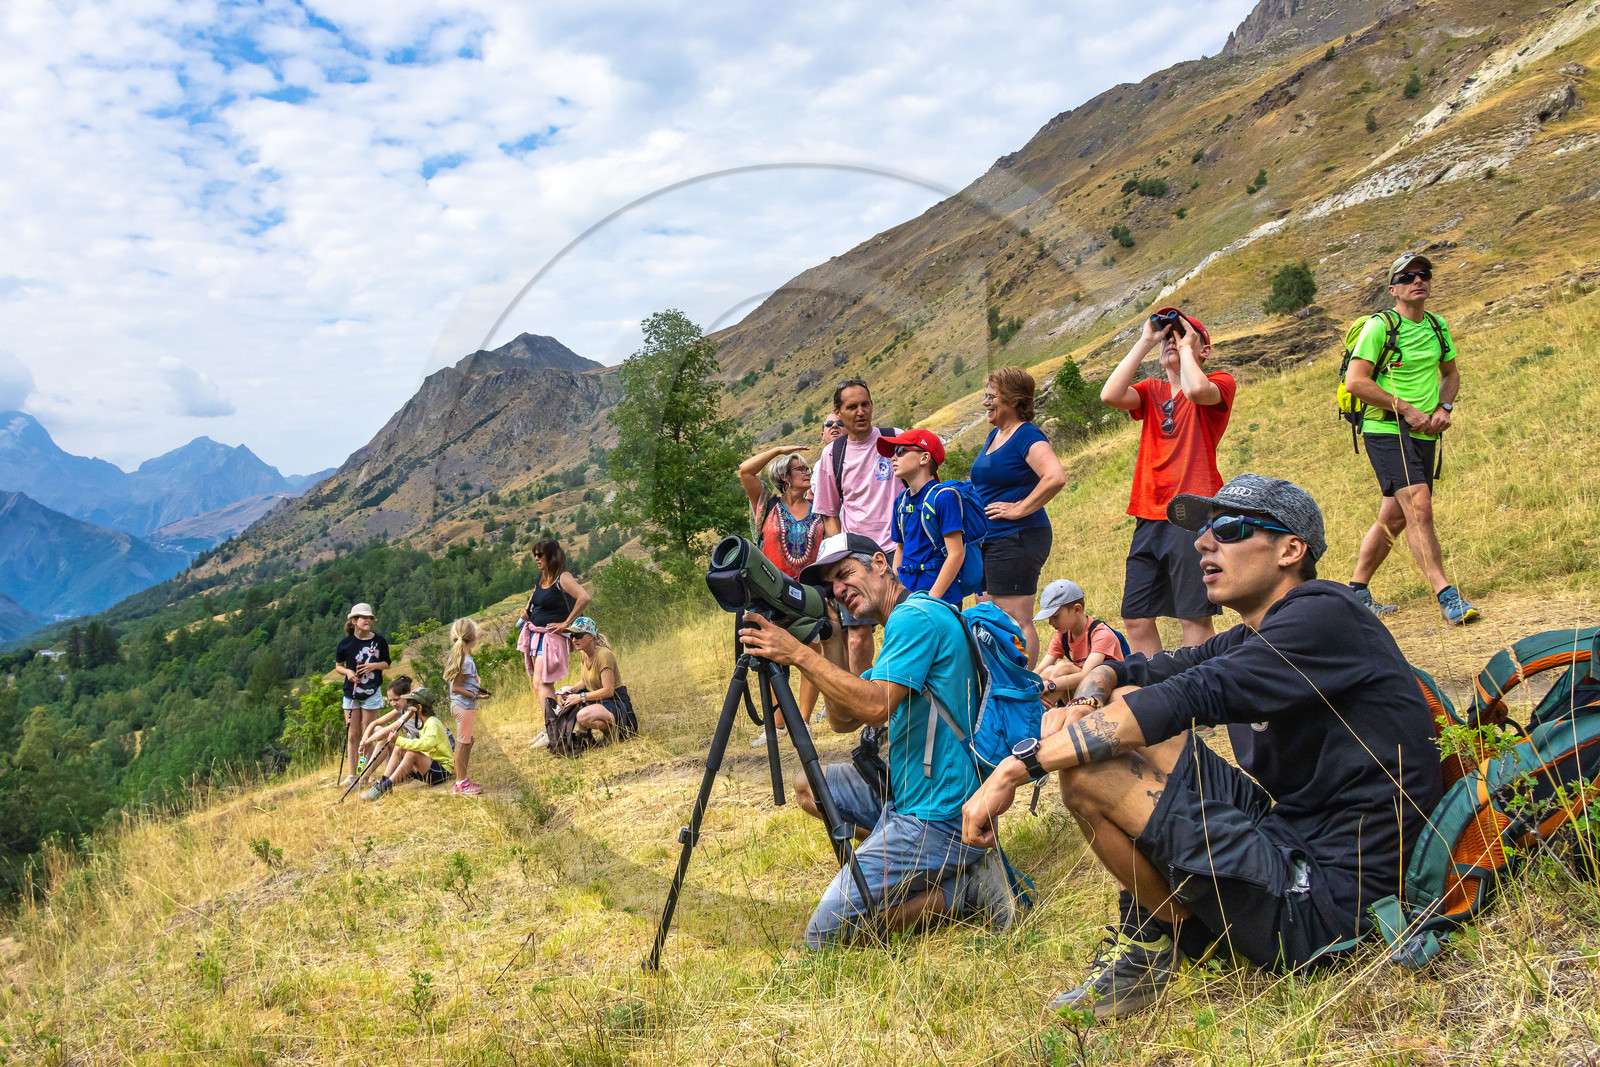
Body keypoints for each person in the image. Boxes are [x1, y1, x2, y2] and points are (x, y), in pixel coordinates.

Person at [961, 475, 1444, 1020]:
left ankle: (1156, 943)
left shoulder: (1324, 616)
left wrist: (1014, 768)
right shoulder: (1259, 631)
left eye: (1230, 529)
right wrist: (1089, 704)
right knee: (1124, 705)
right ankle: (1175, 926)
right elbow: (1135, 669)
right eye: (1205, 529)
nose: (1203, 543)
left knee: (1089, 774)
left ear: (1291, 550)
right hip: (1290, 832)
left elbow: (1192, 694)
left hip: (1333, 898)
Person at [737, 532, 1018, 949]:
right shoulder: (905, 623)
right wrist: (830, 639)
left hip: (936, 817)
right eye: (831, 584)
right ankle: (909, 866)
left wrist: (797, 654)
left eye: (846, 573)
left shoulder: (914, 619)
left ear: (881, 565)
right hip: (904, 796)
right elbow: (841, 719)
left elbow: (874, 708)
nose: (839, 589)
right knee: (809, 786)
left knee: (825, 937)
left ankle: (962, 891)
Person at [1344, 253, 1478, 624]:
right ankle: (1446, 595)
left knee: (1396, 515)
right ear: (1393, 289)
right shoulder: (1379, 327)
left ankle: (1356, 592)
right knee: (1419, 508)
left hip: (1424, 430)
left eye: (1423, 274)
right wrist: (1405, 409)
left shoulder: (1437, 325)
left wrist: (1444, 408)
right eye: (1407, 277)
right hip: (1386, 429)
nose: (1417, 281)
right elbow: (1356, 381)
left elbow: (1451, 373)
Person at [1100, 308, 1236, 658]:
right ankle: (1156, 697)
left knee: (1193, 616)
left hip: (1191, 511)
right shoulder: (1151, 390)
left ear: (1204, 349)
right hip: (1148, 513)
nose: (1171, 341)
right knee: (1136, 616)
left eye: (1182, 335)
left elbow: (1195, 390)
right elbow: (1110, 395)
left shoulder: (1219, 382)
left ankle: (1207, 696)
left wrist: (1187, 349)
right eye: (1168, 337)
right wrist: (1147, 340)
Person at [969, 367, 1066, 666]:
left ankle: (1024, 688)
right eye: (986, 395)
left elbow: (1055, 476)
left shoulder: (1026, 435)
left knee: (1015, 617)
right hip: (989, 540)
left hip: (1018, 537)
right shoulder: (995, 436)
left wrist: (1020, 508)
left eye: (991, 396)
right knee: (988, 615)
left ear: (1012, 399)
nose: (986, 402)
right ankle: (1000, 683)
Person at [809, 378, 900, 676]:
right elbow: (829, 514)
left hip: (901, 551)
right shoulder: (832, 455)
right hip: (858, 560)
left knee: (906, 627)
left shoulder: (895, 440)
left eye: (865, 404)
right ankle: (871, 713)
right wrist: (844, 560)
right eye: (852, 407)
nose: (860, 412)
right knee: (859, 639)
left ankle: (908, 700)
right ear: (839, 412)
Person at [738, 443, 827, 738]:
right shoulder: (768, 505)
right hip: (768, 591)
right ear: (785, 476)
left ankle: (801, 721)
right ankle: (777, 725)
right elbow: (745, 470)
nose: (808, 473)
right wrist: (778, 450)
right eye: (802, 469)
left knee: (810, 651)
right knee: (770, 656)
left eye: (808, 469)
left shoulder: (821, 508)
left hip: (807, 593)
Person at [881, 429, 964, 606]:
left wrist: (932, 599)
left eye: (900, 451)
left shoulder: (943, 497)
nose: (893, 458)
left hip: (941, 598)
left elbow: (956, 553)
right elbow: (900, 547)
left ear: (924, 458)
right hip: (910, 596)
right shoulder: (900, 502)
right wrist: (898, 588)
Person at [518, 538, 590, 716]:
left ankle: (553, 726)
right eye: (535, 555)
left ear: (551, 556)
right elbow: (533, 602)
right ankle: (553, 726)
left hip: (552, 638)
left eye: (540, 554)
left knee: (541, 682)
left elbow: (584, 597)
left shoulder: (563, 577)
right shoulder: (542, 579)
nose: (536, 558)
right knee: (542, 684)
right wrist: (525, 612)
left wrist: (566, 623)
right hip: (537, 636)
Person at [1033, 579, 1125, 702]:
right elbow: (1040, 669)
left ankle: (1043, 710)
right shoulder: (1062, 635)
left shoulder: (1101, 634)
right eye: (1049, 618)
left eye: (1055, 616)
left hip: (1110, 689)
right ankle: (1051, 711)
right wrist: (1024, 684)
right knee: (1048, 671)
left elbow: (1086, 675)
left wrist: (1050, 685)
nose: (1050, 622)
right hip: (1085, 692)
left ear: (1077, 609)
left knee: (1063, 669)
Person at [361, 687, 455, 800]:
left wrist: (399, 740)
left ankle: (384, 787)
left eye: (410, 705)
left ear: (418, 708)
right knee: (398, 749)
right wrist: (398, 743)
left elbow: (424, 745)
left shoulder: (433, 723)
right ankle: (383, 782)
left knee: (411, 754)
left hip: (442, 771)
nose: (407, 708)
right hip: (430, 766)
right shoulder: (424, 723)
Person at [335, 603, 390, 787]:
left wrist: (373, 666)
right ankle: (352, 775)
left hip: (372, 692)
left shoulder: (379, 641)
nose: (368, 620)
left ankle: (363, 773)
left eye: (370, 618)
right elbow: (338, 666)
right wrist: (348, 673)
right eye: (363, 618)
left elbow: (386, 663)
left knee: (367, 734)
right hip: (351, 693)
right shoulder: (345, 643)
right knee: (353, 734)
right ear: (354, 621)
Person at [556, 617, 635, 740]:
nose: (574, 639)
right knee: (568, 705)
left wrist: (579, 697)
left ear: (591, 636)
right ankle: (585, 739)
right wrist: (570, 691)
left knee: (582, 716)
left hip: (615, 701)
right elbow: (583, 682)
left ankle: (617, 732)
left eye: (579, 635)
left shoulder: (604, 655)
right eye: (572, 636)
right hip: (600, 701)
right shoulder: (584, 653)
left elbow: (608, 690)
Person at [444, 617, 490, 796]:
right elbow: (456, 687)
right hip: (464, 706)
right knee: (463, 744)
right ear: (474, 637)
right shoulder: (467, 661)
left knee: (468, 741)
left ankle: (461, 780)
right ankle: (460, 783)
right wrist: (477, 695)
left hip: (460, 706)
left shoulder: (459, 656)